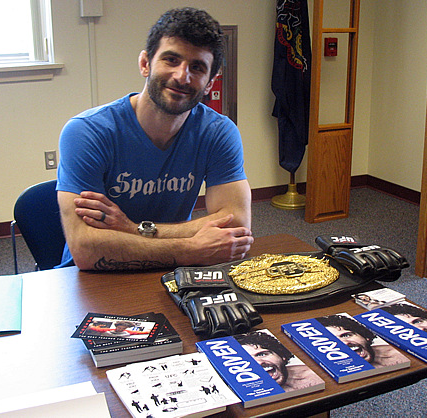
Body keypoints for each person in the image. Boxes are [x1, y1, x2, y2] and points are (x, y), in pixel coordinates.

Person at [56, 7, 253, 271]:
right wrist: (189, 249)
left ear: (210, 81)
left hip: (174, 275)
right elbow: (87, 249)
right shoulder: (87, 132)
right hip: (95, 278)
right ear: (145, 63)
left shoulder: (218, 132)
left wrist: (131, 229)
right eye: (171, 60)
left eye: (197, 67)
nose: (182, 76)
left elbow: (236, 226)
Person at [235, 331, 321, 391]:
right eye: (247, 360)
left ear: (282, 355)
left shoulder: (313, 376)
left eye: (262, 354)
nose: (258, 362)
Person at [318, 314, 408, 368]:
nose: (345, 343)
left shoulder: (398, 356)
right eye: (332, 340)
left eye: (346, 335)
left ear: (365, 337)